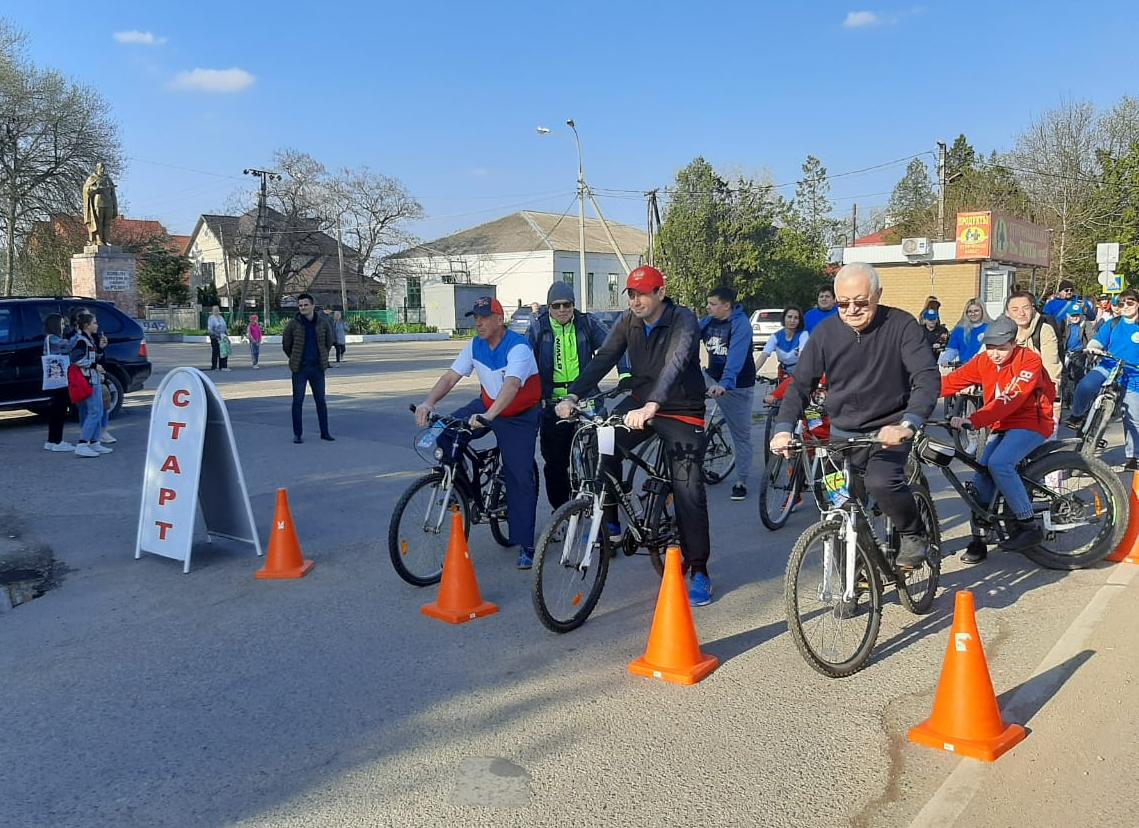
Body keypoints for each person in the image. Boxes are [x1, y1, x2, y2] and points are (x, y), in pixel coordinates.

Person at [555, 265, 714, 607]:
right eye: (631, 294)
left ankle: (699, 570)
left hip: (681, 407)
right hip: (640, 401)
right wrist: (573, 395)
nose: (636, 300)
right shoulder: (629, 321)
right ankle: (609, 524)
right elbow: (604, 358)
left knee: (688, 489)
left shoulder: (683, 319)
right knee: (602, 443)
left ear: (660, 292)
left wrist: (655, 404)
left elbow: (676, 362)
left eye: (642, 293)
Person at [770, 262, 940, 569]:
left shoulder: (901, 326)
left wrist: (908, 423)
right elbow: (800, 385)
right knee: (839, 504)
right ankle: (855, 576)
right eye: (843, 303)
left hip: (890, 428)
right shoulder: (825, 333)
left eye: (861, 302)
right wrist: (784, 428)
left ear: (878, 295)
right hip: (843, 433)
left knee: (880, 481)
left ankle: (914, 533)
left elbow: (926, 378)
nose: (852, 310)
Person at [416, 296, 541, 569]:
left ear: (499, 319)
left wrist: (489, 417)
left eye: (484, 317)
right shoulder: (475, 345)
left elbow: (511, 385)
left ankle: (526, 544)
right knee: (444, 432)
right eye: (475, 317)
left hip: (518, 415)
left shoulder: (518, 347)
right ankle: (462, 490)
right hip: (487, 406)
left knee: (518, 476)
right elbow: (451, 377)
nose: (478, 322)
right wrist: (429, 402)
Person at [941, 316, 1057, 563]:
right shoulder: (984, 360)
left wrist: (975, 419)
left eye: (1001, 348)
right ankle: (979, 539)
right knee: (981, 478)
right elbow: (951, 382)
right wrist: (910, 394)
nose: (994, 354)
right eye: (991, 347)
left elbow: (1010, 398)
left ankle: (1028, 525)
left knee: (1000, 463)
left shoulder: (1030, 361)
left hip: (1032, 422)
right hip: (1001, 424)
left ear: (1014, 343)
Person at [527, 282, 610, 511]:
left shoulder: (586, 322)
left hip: (586, 398)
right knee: (555, 463)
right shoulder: (538, 327)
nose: (562, 309)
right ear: (548, 307)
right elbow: (523, 361)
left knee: (604, 454)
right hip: (553, 402)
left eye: (568, 304)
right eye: (557, 305)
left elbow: (612, 347)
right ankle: (560, 511)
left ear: (574, 305)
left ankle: (602, 507)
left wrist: (626, 375)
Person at [1069, 288, 1139, 470]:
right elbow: (1098, 341)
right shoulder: (1114, 323)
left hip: (1133, 375)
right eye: (1121, 304)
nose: (1125, 307)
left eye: (1130, 303)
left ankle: (1133, 457)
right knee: (1085, 385)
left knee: (1133, 417)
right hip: (1109, 366)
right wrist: (1093, 347)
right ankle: (1077, 415)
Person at [699, 285, 756, 501]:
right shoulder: (708, 321)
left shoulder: (740, 325)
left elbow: (736, 357)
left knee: (741, 435)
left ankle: (741, 480)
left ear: (726, 306)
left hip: (736, 385)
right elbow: (689, 336)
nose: (708, 307)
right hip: (712, 377)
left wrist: (725, 383)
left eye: (713, 304)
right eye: (708, 303)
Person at [1005, 291, 1062, 429]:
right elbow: (985, 355)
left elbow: (1051, 368)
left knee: (1040, 443)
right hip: (1010, 392)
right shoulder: (1002, 330)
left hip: (1039, 392)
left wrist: (1050, 398)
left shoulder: (1044, 330)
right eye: (1015, 309)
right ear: (1007, 313)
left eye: (1026, 308)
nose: (1021, 313)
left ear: (1033, 309)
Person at [282, 293, 334, 444]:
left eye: (305, 305)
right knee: (298, 401)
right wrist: (295, 357)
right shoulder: (293, 323)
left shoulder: (323, 323)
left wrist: (322, 357)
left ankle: (325, 432)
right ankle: (297, 434)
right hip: (300, 368)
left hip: (317, 368)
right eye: (300, 305)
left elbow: (329, 341)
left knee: (321, 401)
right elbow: (286, 344)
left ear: (312, 306)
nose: (303, 307)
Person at [69, 312, 113, 458]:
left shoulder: (89, 340)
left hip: (94, 379)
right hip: (88, 380)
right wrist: (94, 366)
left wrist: (100, 348)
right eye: (94, 323)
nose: (97, 325)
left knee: (98, 411)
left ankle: (94, 442)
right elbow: (75, 359)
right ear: (87, 325)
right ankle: (82, 444)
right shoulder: (81, 341)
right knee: (94, 412)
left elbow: (92, 357)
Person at [42, 314, 74, 453]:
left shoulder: (49, 338)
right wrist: (76, 335)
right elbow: (68, 346)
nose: (63, 327)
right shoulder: (53, 339)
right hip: (59, 378)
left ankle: (51, 440)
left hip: (54, 378)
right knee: (59, 409)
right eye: (61, 324)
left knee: (56, 409)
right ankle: (57, 441)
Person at [754, 306, 808, 380]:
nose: (792, 320)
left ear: (799, 321)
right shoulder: (775, 336)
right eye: (789, 317)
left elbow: (803, 354)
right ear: (784, 318)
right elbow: (764, 355)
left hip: (799, 373)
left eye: (796, 318)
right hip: (783, 372)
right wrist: (753, 373)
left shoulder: (803, 334)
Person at [938, 299, 991, 367]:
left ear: (982, 311)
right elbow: (952, 349)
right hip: (964, 368)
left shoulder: (991, 328)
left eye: (976, 311)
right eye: (970, 311)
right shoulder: (959, 330)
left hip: (985, 367)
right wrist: (945, 359)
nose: (973, 314)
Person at [207, 306, 230, 372]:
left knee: (223, 351)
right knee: (216, 351)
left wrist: (226, 335)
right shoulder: (211, 318)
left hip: (223, 336)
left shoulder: (221, 317)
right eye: (215, 310)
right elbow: (210, 329)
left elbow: (225, 326)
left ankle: (222, 366)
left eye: (217, 309)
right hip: (215, 337)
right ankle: (214, 366)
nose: (216, 311)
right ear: (212, 311)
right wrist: (216, 335)